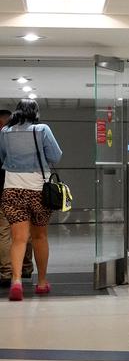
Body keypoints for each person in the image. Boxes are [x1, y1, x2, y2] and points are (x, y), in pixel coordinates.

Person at [0, 99, 62, 301]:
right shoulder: (42, 129)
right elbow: (55, 155)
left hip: (12, 189)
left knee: (18, 239)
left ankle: (16, 282)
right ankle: (42, 282)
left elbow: (2, 157)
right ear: (35, 112)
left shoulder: (5, 132)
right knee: (39, 237)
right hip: (37, 189)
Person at [0, 109, 34, 287]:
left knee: (5, 232)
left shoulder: (3, 140)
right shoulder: (23, 140)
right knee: (25, 231)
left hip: (8, 191)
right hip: (28, 188)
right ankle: (26, 267)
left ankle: (8, 272)